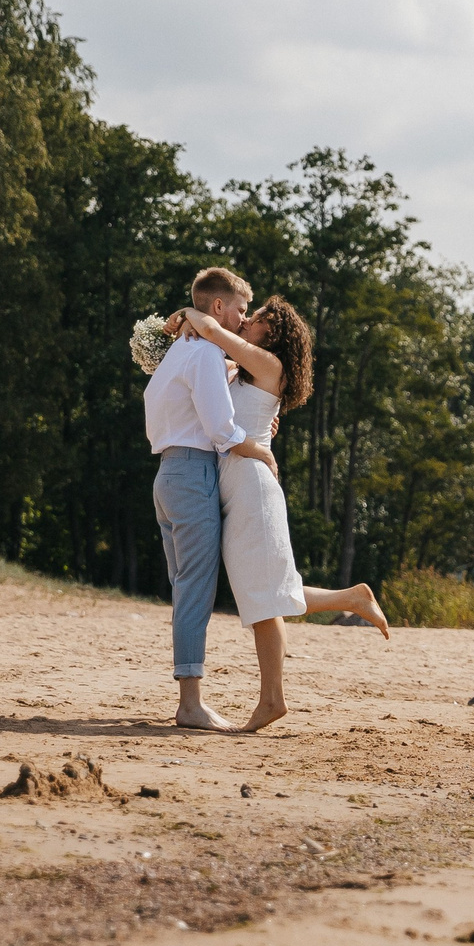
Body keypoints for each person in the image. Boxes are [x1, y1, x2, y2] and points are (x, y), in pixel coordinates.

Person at [169, 294, 390, 732]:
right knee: (261, 591)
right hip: (235, 485)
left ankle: (272, 700)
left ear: (273, 332)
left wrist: (185, 316)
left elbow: (212, 330)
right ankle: (352, 597)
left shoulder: (271, 366)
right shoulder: (243, 370)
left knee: (263, 600)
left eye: (257, 319)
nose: (247, 321)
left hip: (251, 486)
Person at [142, 265, 272, 732]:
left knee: (185, 588)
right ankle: (190, 704)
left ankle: (188, 697)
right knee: (196, 589)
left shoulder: (181, 353)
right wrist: (259, 448)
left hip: (167, 475)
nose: (242, 320)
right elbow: (220, 431)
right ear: (217, 307)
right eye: (239, 310)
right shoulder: (204, 357)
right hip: (194, 476)